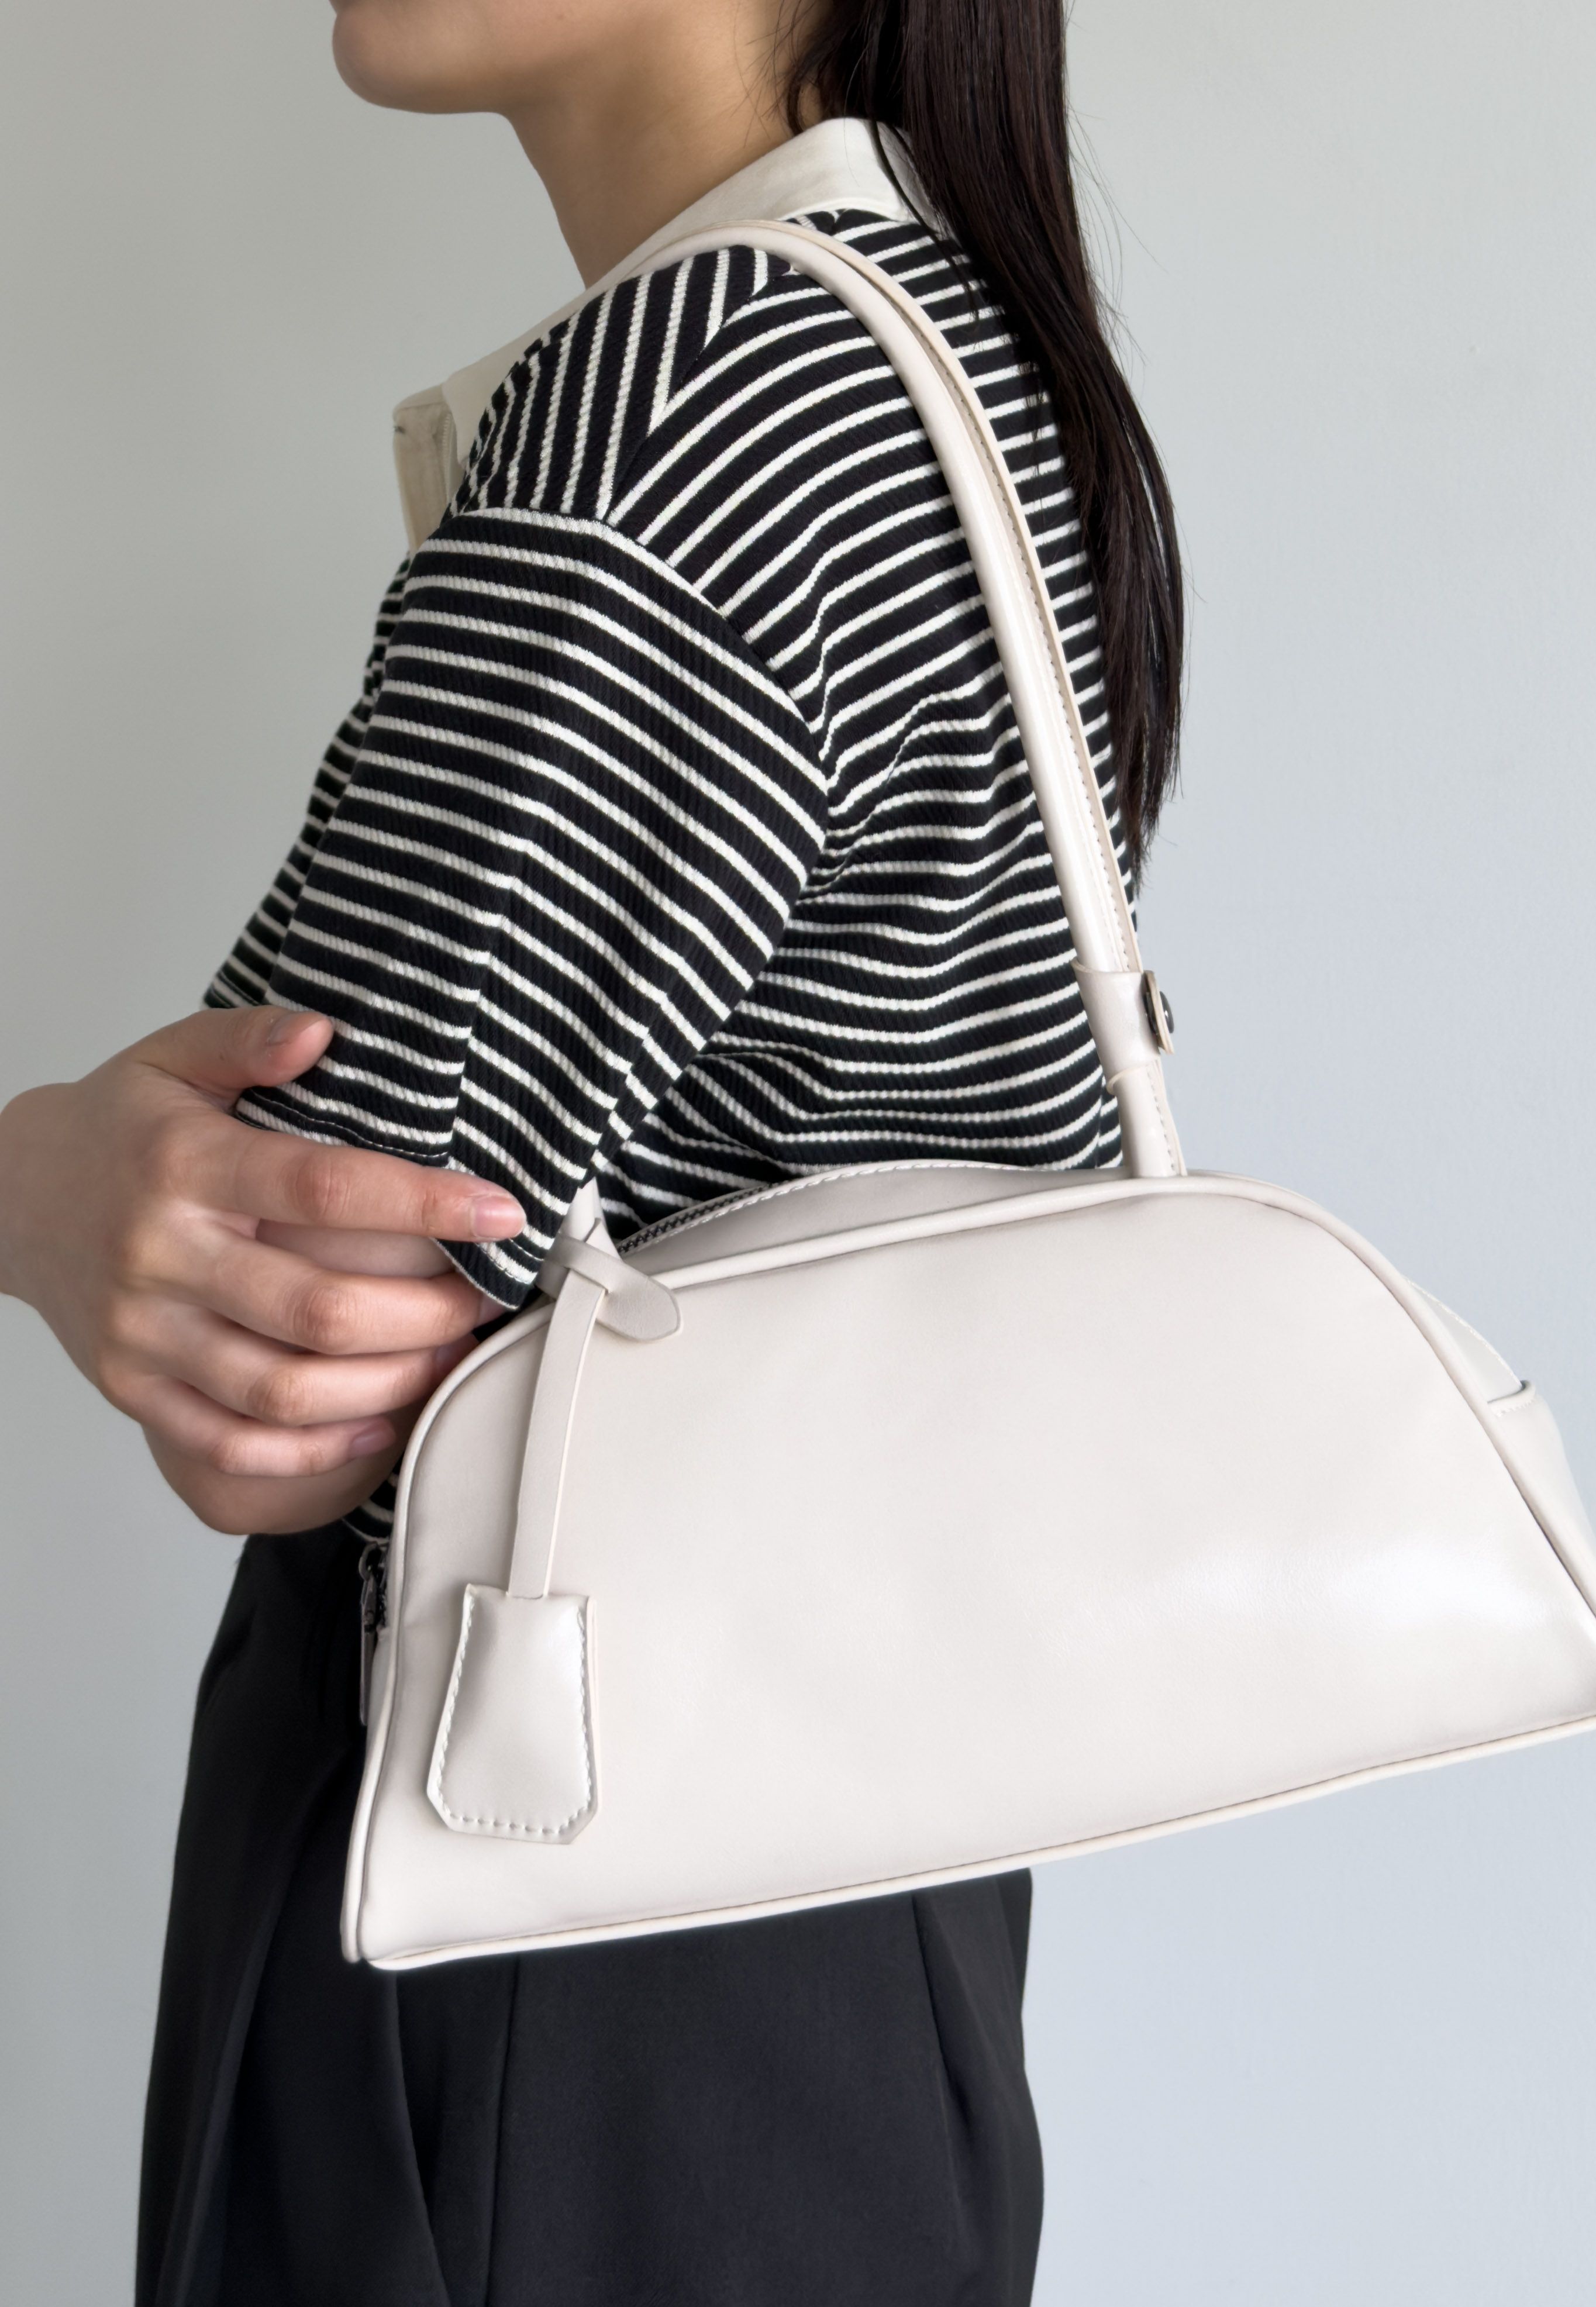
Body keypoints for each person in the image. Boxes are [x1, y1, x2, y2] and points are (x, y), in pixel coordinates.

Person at [0, 1, 1183, 2298]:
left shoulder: (704, 396)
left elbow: (273, 1357)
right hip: (831, 1902)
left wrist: (44, 1176)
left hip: (551, 1931)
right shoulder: (940, 337)